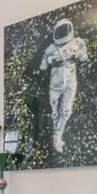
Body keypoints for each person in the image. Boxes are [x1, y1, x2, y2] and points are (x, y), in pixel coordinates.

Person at [39, 18, 88, 153]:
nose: (62, 33)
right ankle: (55, 134)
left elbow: (84, 58)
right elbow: (43, 65)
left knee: (66, 111)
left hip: (70, 81)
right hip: (55, 84)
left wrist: (77, 53)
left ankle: (58, 135)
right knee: (54, 111)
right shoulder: (52, 48)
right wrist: (51, 59)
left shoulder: (77, 42)